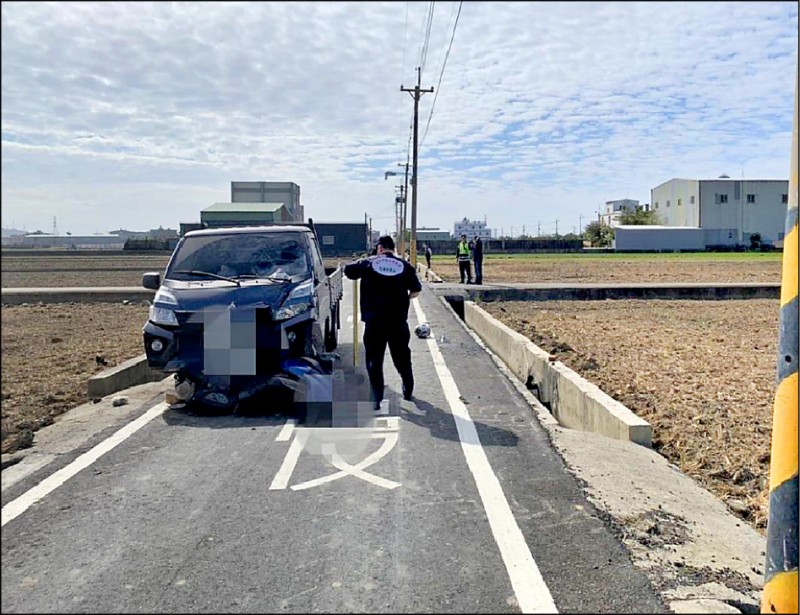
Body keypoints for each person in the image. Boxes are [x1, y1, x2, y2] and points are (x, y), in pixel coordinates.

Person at [344, 235, 422, 410]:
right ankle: (407, 388)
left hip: (374, 322)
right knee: (402, 357)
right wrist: (404, 300)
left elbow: (348, 272)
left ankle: (376, 397)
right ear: (393, 249)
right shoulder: (405, 267)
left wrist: (364, 261)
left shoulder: (368, 263)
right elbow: (416, 290)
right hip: (397, 322)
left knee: (374, 359)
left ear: (379, 248)